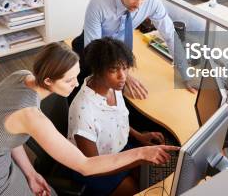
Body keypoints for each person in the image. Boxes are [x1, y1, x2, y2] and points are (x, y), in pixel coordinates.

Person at [0, 43, 176, 196]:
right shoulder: (31, 116)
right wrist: (141, 152)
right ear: (48, 80)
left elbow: (8, 136)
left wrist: (31, 173)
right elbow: (85, 166)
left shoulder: (22, 75)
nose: (75, 85)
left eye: (77, 75)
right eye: (69, 80)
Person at [74, 0, 195, 98]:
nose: (139, 5)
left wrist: (185, 74)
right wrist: (124, 76)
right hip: (93, 49)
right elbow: (95, 51)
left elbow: (170, 35)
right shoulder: (99, 4)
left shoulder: (151, 1)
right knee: (86, 92)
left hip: (119, 49)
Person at [68, 38, 165, 196]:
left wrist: (139, 136)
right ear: (97, 70)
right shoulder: (84, 111)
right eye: (114, 70)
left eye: (125, 68)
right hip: (96, 168)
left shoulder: (113, 87)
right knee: (140, 190)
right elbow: (91, 166)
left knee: (150, 177)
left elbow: (117, 120)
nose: (123, 76)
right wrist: (136, 159)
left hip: (118, 150)